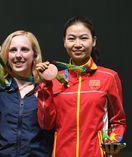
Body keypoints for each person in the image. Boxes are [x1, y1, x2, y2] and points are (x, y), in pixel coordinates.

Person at [37, 16, 126, 157]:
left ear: (94, 41)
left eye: (83, 38)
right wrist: (44, 85)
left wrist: (112, 141)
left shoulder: (109, 77)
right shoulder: (54, 80)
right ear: (64, 42)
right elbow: (46, 124)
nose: (77, 44)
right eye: (71, 39)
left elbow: (118, 121)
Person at [0, 30, 53, 157]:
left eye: (24, 49)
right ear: (6, 55)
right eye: (13, 50)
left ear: (34, 55)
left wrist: (45, 91)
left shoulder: (46, 89)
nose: (18, 55)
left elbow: (52, 126)